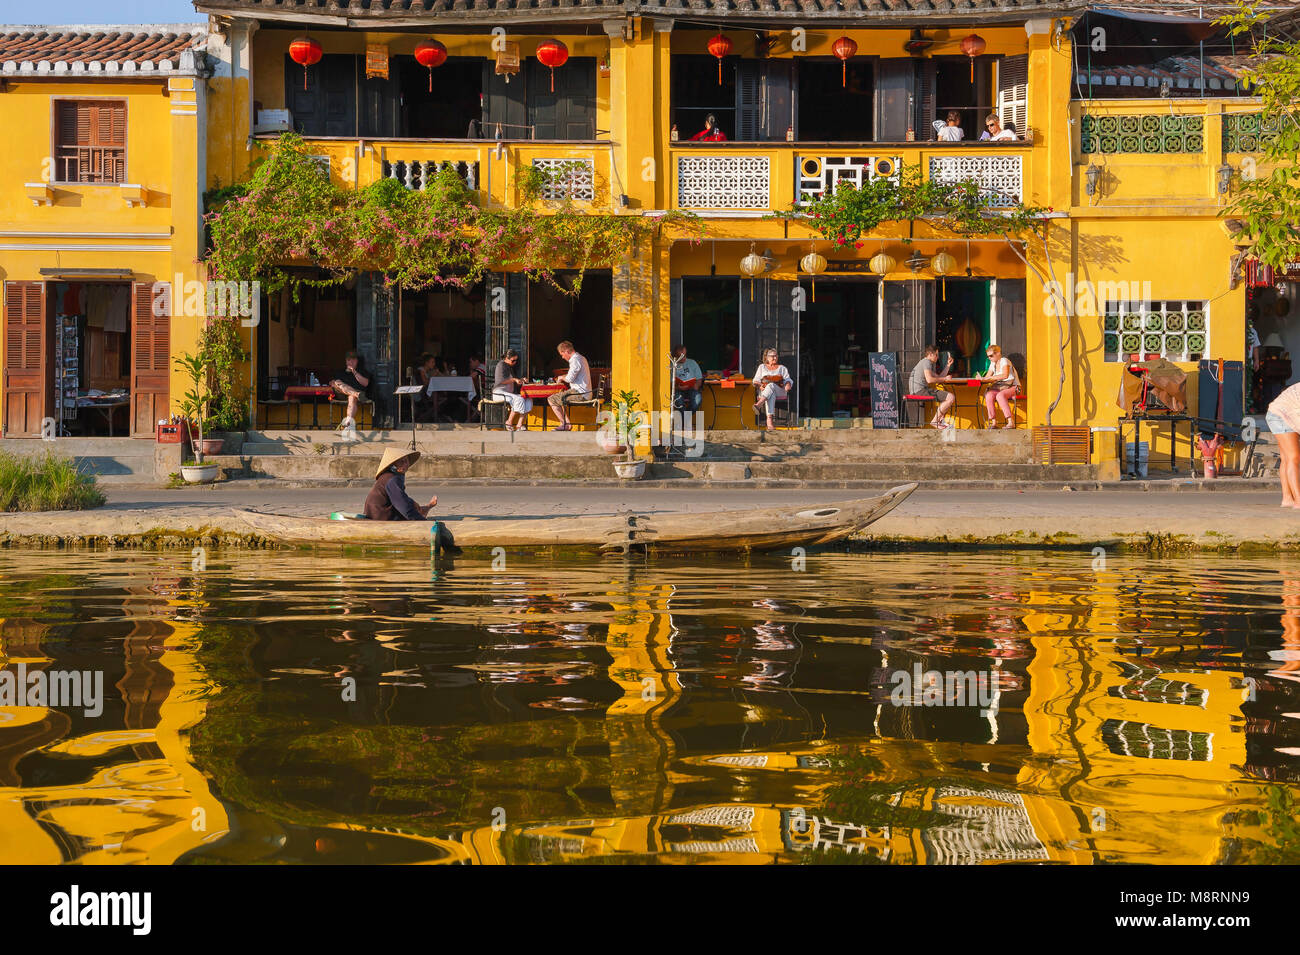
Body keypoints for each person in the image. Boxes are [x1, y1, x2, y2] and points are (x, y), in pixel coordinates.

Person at [363, 447, 461, 552]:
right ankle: (424, 511)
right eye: (401, 461)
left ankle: (425, 509)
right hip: (381, 518)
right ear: (393, 464)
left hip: (377, 514)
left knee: (411, 504)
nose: (405, 464)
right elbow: (404, 508)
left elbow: (402, 500)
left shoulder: (389, 476)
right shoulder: (392, 479)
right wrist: (423, 523)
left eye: (406, 461)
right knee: (412, 510)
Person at [1267, 382, 1300, 509]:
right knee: (1294, 457)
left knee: (1287, 458)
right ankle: (1298, 500)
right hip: (1281, 416)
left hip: (1277, 413)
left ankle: (1287, 498)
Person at [908, 344, 956, 429]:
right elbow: (930, 379)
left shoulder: (925, 362)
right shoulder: (926, 362)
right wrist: (945, 379)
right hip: (920, 391)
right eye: (936, 355)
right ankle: (935, 421)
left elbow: (939, 376)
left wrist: (948, 365)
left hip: (918, 390)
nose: (937, 357)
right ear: (930, 354)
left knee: (947, 398)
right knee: (950, 397)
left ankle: (939, 421)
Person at [548, 340, 592, 432]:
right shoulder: (581, 358)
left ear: (567, 351)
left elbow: (570, 379)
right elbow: (571, 376)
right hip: (583, 392)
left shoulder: (575, 360)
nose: (563, 357)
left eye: (562, 354)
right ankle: (567, 424)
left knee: (551, 399)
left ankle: (565, 424)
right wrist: (562, 377)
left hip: (580, 393)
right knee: (561, 397)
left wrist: (561, 378)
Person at [751, 348, 793, 431]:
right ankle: (769, 423)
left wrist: (788, 384)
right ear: (767, 357)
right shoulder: (762, 367)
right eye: (772, 356)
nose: (774, 358)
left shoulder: (782, 368)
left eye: (776, 356)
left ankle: (759, 404)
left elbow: (788, 379)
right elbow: (755, 380)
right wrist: (760, 385)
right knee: (771, 392)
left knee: (771, 386)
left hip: (780, 391)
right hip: (766, 391)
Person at [493, 348, 534, 432]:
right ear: (506, 358)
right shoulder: (501, 365)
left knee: (528, 398)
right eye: (513, 360)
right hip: (499, 393)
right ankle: (509, 422)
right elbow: (502, 381)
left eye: (516, 360)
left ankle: (519, 424)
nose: (515, 362)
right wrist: (515, 380)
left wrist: (521, 380)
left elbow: (513, 381)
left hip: (508, 393)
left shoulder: (510, 367)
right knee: (519, 399)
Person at [980, 344, 1020, 428]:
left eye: (991, 355)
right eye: (988, 357)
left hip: (1014, 387)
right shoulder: (992, 364)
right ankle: (994, 422)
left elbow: (1005, 375)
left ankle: (1010, 421)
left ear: (998, 353)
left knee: (1000, 396)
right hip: (1001, 387)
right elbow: (988, 377)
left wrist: (991, 377)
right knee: (989, 395)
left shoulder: (1004, 361)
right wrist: (981, 378)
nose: (989, 358)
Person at [330, 349, 370, 431]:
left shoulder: (362, 371)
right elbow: (332, 383)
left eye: (353, 360)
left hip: (357, 396)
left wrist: (354, 372)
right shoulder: (340, 372)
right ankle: (356, 394)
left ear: (357, 361)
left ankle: (348, 423)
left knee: (352, 397)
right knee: (337, 382)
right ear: (346, 361)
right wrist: (335, 383)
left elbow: (365, 383)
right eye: (349, 360)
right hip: (343, 394)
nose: (351, 362)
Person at [671, 343, 704, 414]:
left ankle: (685, 420)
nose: (684, 358)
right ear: (675, 356)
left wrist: (696, 385)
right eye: (681, 356)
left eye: (685, 355)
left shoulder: (692, 363)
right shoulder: (671, 365)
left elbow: (699, 378)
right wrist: (677, 387)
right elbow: (669, 382)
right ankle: (686, 422)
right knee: (678, 402)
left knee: (697, 400)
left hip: (692, 389)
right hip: (678, 390)